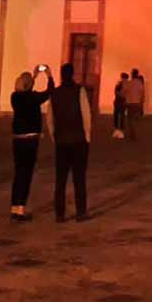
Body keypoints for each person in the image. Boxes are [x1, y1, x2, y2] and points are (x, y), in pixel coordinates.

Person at [47, 63, 92, 222]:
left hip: (62, 142)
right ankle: (81, 212)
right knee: (79, 178)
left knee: (60, 180)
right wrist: (87, 137)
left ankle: (60, 214)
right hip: (78, 140)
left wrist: (55, 137)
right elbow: (86, 115)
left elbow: (50, 119)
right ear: (72, 74)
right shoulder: (79, 91)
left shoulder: (55, 93)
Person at [9, 66, 54, 222]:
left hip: (17, 140)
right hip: (30, 140)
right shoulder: (32, 98)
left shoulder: (14, 97)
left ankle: (14, 206)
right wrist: (49, 76)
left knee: (18, 174)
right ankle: (20, 209)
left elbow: (27, 90)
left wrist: (33, 77)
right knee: (26, 175)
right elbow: (49, 92)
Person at [124, 67, 145, 141]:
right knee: (133, 119)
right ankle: (133, 134)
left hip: (130, 103)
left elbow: (124, 91)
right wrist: (141, 103)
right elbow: (142, 94)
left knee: (130, 120)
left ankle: (132, 135)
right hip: (137, 103)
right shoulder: (140, 83)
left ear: (132, 74)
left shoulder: (129, 83)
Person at [112, 72, 129, 140]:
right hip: (123, 101)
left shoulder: (119, 84)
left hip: (119, 101)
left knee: (116, 115)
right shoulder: (128, 84)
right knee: (122, 115)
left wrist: (120, 94)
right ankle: (121, 130)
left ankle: (117, 129)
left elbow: (115, 92)